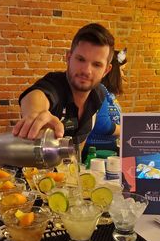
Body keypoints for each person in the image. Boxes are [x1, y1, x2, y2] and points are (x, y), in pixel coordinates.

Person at [13, 23, 115, 151]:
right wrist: (35, 113)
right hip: (31, 170)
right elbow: (38, 95)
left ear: (106, 70)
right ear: (69, 57)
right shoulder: (55, 84)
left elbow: (80, 139)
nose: (86, 70)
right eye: (80, 59)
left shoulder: (98, 95)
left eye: (96, 65)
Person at [82, 48, 127, 160]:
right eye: (122, 70)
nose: (123, 74)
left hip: (106, 148)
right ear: (113, 71)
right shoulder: (98, 90)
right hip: (97, 151)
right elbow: (103, 126)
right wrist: (127, 129)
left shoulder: (107, 93)